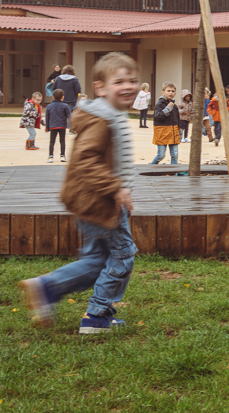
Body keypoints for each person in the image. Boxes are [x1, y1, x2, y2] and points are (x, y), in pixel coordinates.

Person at [18, 52, 140, 334]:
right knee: (122, 256)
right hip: (101, 201)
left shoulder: (110, 114)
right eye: (119, 81)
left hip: (97, 200)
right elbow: (86, 160)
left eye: (132, 80)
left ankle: (46, 288)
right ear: (100, 88)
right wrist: (117, 189)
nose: (128, 86)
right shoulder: (100, 119)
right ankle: (96, 316)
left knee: (98, 260)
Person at [150, 83, 180, 165]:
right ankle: (151, 166)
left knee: (175, 155)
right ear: (163, 92)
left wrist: (179, 131)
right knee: (161, 155)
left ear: (175, 93)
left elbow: (177, 120)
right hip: (162, 133)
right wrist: (168, 108)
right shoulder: (159, 104)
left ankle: (173, 171)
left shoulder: (175, 106)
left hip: (173, 133)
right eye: (168, 91)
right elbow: (158, 117)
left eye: (173, 91)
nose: (171, 93)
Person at [45, 89, 72, 162]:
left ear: (53, 97)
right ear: (62, 97)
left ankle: (50, 156)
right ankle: (62, 156)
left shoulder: (49, 106)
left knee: (52, 141)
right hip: (62, 126)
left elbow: (47, 118)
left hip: (53, 126)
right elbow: (70, 117)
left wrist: (47, 127)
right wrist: (72, 126)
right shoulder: (65, 106)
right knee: (62, 141)